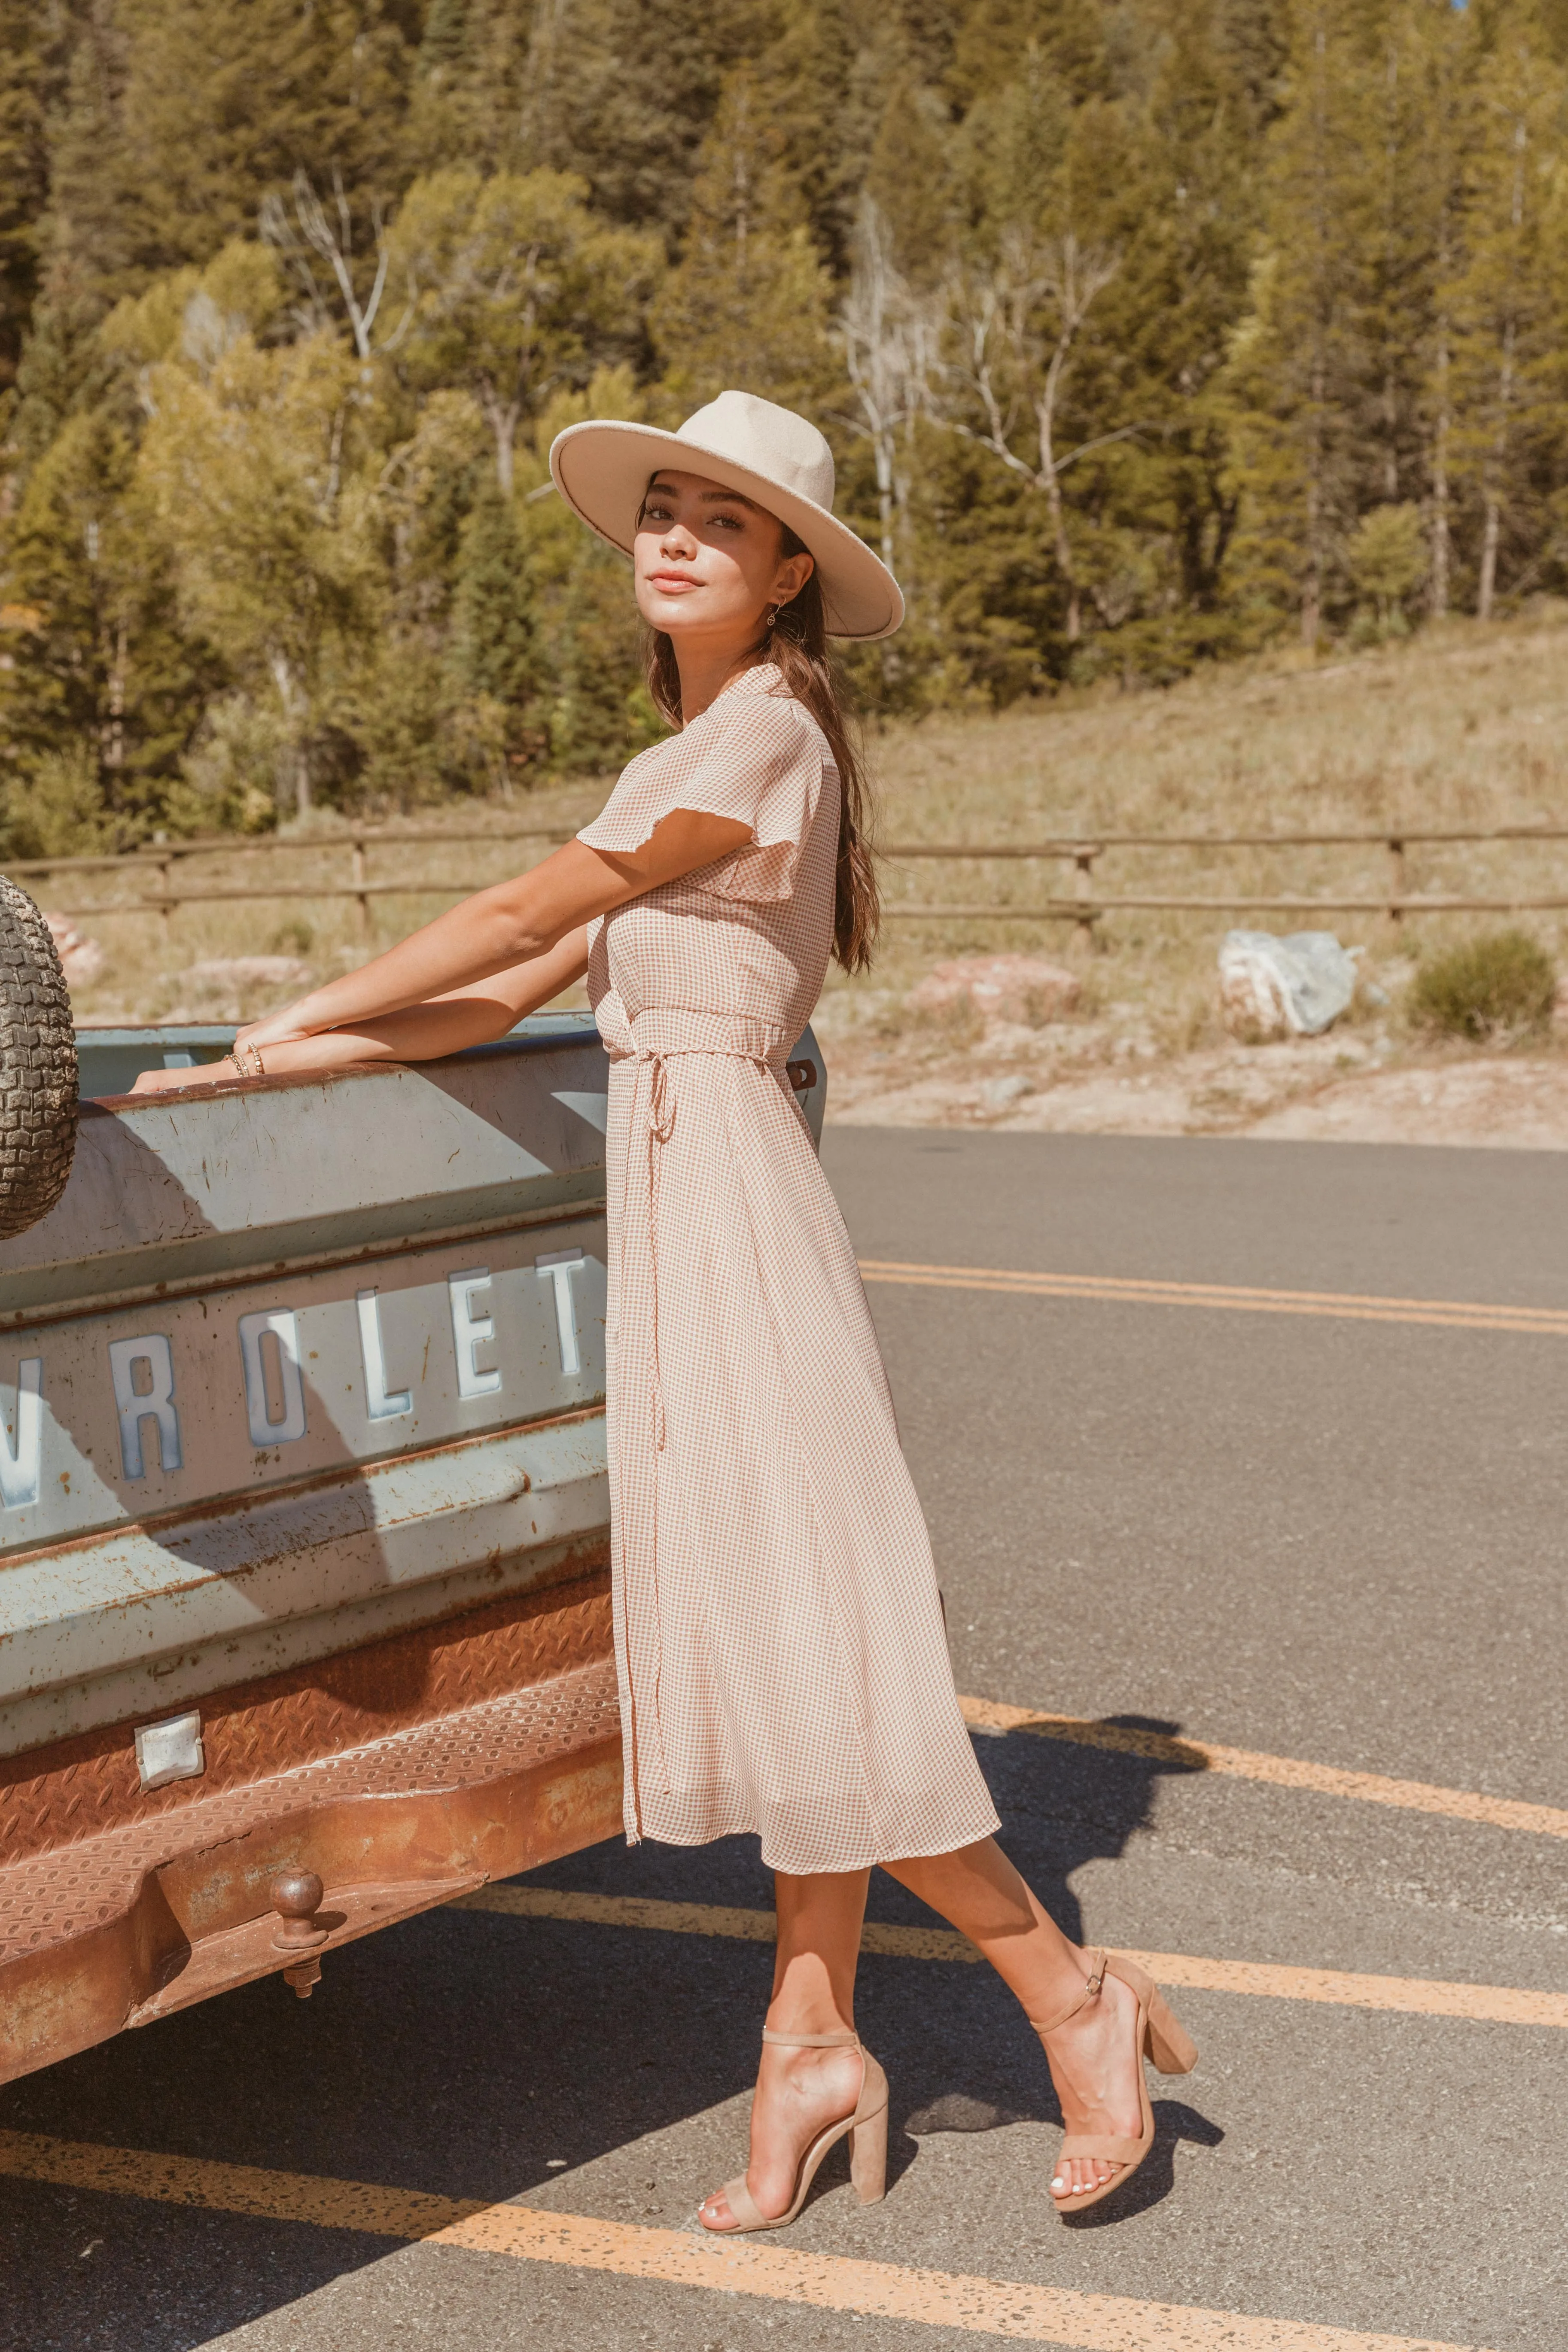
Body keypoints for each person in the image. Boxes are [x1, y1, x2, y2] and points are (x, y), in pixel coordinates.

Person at [135, 390, 1195, 2228]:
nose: (680, 532)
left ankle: (1072, 1996)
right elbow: (527, 980)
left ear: (790, 572)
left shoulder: (773, 728)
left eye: (728, 516)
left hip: (735, 1211)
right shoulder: (701, 741)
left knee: (828, 1651)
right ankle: (809, 2052)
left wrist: (300, 1003)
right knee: (775, 1637)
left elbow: (544, 894)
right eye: (665, 507)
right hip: (679, 1200)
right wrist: (303, 1049)